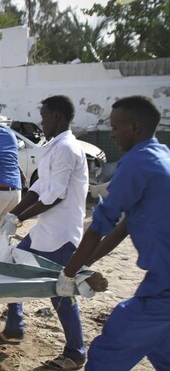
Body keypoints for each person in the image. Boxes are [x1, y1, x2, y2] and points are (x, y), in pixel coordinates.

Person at [57, 96, 170, 371]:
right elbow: (125, 225)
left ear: (135, 127)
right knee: (163, 350)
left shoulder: (136, 163)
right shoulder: (162, 155)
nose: (111, 133)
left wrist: (68, 274)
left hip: (164, 287)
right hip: (163, 279)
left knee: (109, 352)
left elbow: (99, 226)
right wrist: (85, 265)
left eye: (115, 127)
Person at [0, 95, 89, 369]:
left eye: (44, 116)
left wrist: (20, 221)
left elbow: (56, 195)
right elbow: (37, 191)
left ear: (56, 117)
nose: (41, 121)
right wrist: (13, 215)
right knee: (12, 267)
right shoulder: (54, 147)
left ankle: (76, 353)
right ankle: (14, 326)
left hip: (63, 234)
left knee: (61, 291)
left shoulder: (67, 148)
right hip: (46, 230)